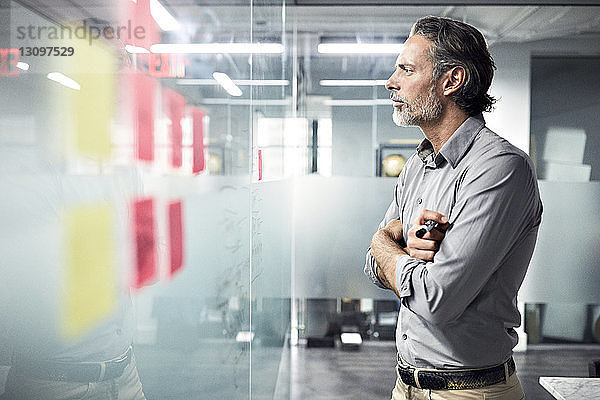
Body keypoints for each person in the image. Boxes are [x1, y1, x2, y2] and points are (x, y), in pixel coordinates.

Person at [364, 16, 543, 400]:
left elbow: (436, 299)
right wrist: (401, 258)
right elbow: (373, 270)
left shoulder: (499, 168)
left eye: (406, 69)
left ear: (451, 80)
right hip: (405, 386)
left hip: (469, 392)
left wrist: (384, 241)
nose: (390, 82)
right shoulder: (417, 165)